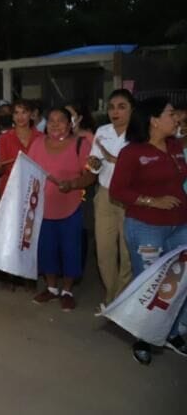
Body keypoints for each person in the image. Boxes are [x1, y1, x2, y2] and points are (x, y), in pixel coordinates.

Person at [109, 97, 187, 365]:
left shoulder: (175, 146)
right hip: (146, 228)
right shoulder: (132, 152)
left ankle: (172, 333)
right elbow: (118, 191)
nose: (177, 118)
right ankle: (142, 338)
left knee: (177, 282)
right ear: (154, 120)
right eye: (171, 113)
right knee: (150, 284)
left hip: (180, 226)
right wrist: (153, 201)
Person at [27, 107, 96, 311]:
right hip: (42, 206)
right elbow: (28, 169)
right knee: (46, 248)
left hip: (71, 206)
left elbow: (91, 175)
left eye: (61, 120)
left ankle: (67, 291)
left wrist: (73, 184)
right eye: (51, 120)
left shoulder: (81, 145)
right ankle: (51, 288)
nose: (55, 124)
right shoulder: (37, 143)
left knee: (70, 249)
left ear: (69, 124)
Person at [87, 89, 134, 304]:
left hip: (130, 196)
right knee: (104, 250)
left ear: (132, 109)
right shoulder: (102, 131)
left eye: (122, 107)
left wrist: (111, 158)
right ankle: (111, 295)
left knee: (127, 252)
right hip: (105, 194)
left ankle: (122, 300)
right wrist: (94, 163)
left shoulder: (140, 133)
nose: (115, 112)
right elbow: (94, 163)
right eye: (112, 107)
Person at [0, 99, 42, 199]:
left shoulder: (41, 138)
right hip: (10, 190)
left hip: (34, 189)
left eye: (24, 112)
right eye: (16, 113)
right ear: (12, 116)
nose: (20, 117)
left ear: (31, 114)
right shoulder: (4, 138)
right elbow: (2, 170)